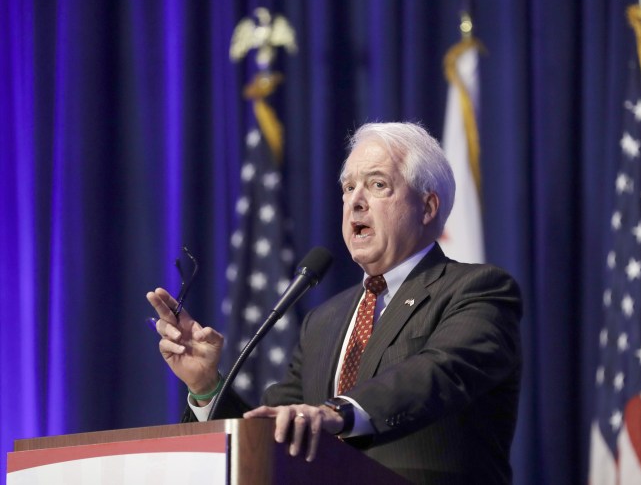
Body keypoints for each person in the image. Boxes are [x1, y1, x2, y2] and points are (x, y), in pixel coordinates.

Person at [147, 122, 522, 484]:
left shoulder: (477, 290)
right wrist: (207, 385)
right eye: (348, 187)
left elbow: (439, 373)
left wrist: (337, 413)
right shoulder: (324, 321)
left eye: (377, 185)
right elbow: (267, 435)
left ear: (427, 207)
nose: (356, 201)